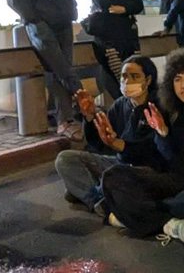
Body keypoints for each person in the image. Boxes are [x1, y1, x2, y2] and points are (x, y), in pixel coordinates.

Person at [96, 48, 184, 245]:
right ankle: (166, 223)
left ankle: (128, 216)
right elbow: (165, 159)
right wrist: (162, 134)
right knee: (113, 176)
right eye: (177, 79)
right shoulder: (173, 111)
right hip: (171, 179)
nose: (183, 86)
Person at [5, 0, 83, 141]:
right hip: (38, 23)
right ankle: (79, 97)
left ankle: (64, 119)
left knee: (61, 66)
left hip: (62, 23)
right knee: (59, 63)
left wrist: (72, 13)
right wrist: (32, 17)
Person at [55, 56, 162, 215]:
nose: (128, 82)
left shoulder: (158, 105)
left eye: (135, 77)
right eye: (124, 77)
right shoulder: (120, 105)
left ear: (148, 80)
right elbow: (98, 145)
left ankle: (90, 194)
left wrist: (121, 145)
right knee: (65, 159)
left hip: (145, 168)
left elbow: (156, 150)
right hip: (118, 163)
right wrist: (90, 118)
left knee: (122, 177)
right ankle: (99, 199)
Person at [87, 0, 144, 100]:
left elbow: (138, 5)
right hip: (109, 39)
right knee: (119, 76)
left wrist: (123, 8)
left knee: (134, 73)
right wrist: (126, 5)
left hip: (129, 37)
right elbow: (103, 3)